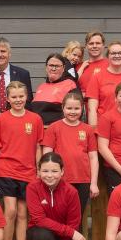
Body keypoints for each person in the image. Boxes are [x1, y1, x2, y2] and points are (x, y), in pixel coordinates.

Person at [0, 81, 44, 240]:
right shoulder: (0, 119)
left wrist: (39, 170)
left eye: (21, 96)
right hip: (6, 170)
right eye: (13, 97)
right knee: (11, 211)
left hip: (28, 172)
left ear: (27, 97)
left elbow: (38, 146)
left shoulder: (35, 119)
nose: (18, 100)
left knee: (24, 214)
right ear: (7, 99)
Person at [42, 91, 99, 224]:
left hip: (82, 180)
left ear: (82, 108)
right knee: (59, 216)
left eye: (76, 108)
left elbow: (93, 158)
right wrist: (47, 177)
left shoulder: (88, 130)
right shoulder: (54, 128)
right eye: (69, 108)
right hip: (59, 180)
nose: (72, 112)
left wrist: (94, 183)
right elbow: (46, 156)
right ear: (63, 108)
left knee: (76, 218)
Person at [0, 36, 33, 123]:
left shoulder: (22, 74)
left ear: (9, 54)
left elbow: (28, 101)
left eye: (3, 51)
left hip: (17, 123)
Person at [30, 53, 81, 125]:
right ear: (46, 67)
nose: (53, 69)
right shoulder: (41, 86)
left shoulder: (70, 84)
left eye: (57, 66)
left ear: (63, 69)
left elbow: (76, 111)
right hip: (37, 130)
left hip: (56, 131)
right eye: (51, 65)